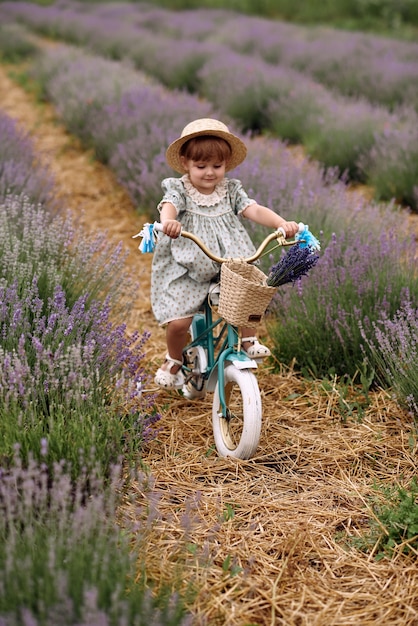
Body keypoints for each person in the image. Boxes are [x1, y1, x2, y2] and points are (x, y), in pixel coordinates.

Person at [151, 118, 299, 389]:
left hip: (227, 263)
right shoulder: (179, 189)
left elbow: (253, 209)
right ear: (185, 163)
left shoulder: (231, 190)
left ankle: (247, 339)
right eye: (201, 166)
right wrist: (169, 221)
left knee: (249, 293)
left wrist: (280, 223)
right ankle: (173, 359)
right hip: (188, 265)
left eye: (217, 166)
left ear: (226, 165)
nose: (209, 173)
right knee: (178, 323)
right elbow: (168, 206)